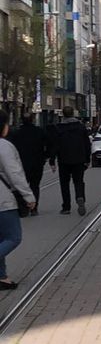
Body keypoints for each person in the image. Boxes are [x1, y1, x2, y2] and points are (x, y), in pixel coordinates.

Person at [0, 109, 36, 290]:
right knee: (13, 237)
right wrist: (28, 196)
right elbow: (15, 174)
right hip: (2, 201)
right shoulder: (4, 146)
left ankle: (2, 276)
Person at [48, 106, 91, 216]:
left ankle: (66, 207)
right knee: (78, 181)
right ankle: (80, 196)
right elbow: (87, 144)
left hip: (64, 160)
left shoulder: (58, 128)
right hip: (79, 159)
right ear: (73, 114)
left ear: (63, 115)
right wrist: (87, 158)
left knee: (64, 183)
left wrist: (52, 161)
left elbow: (55, 146)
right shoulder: (81, 127)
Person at [9, 113, 48, 216]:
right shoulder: (39, 131)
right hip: (37, 163)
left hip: (22, 164)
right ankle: (34, 208)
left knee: (22, 185)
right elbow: (47, 144)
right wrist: (45, 157)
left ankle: (23, 208)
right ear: (32, 120)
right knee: (35, 186)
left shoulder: (17, 133)